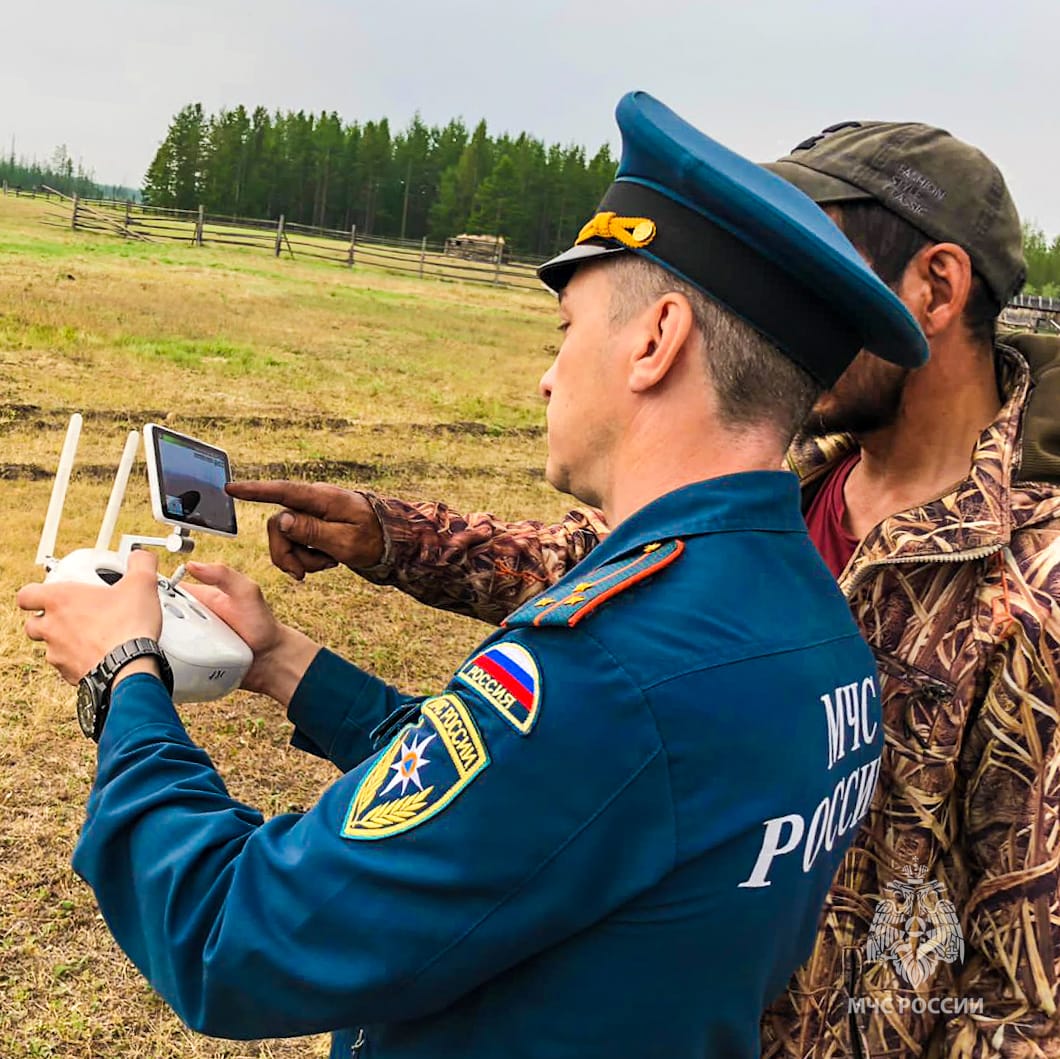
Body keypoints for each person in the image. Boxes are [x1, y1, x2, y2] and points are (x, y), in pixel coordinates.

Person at [16, 94, 927, 1059]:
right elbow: (534, 811)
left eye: (567, 327)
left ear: (655, 341)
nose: (547, 375)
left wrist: (125, 679)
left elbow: (236, 936)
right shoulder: (816, 618)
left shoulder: (616, 666)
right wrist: (284, 659)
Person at [232, 122, 1060, 1056]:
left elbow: (1032, 995)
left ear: (937, 289)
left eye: (815, 264)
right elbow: (614, 581)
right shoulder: (802, 488)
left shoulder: (1033, 590)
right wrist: (389, 536)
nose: (787, 303)